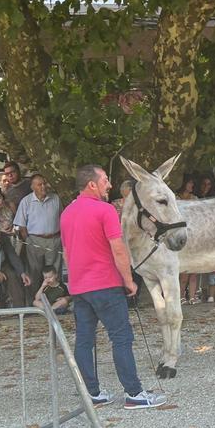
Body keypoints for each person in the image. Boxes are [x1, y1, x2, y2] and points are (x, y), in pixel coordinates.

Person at [61, 164, 165, 410]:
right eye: (105, 180)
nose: (109, 185)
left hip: (79, 286)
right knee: (121, 337)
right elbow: (118, 248)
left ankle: (92, 393)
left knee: (85, 340)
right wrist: (129, 280)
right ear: (92, 184)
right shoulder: (104, 210)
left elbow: (66, 252)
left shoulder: (66, 213)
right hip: (105, 283)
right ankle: (134, 393)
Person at [14, 173, 63, 294]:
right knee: (34, 270)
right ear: (32, 187)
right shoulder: (26, 201)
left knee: (54, 271)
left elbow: (62, 218)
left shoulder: (55, 198)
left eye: (44, 183)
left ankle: (54, 298)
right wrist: (28, 240)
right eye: (39, 184)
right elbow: (21, 225)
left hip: (54, 239)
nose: (43, 187)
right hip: (35, 240)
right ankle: (34, 299)